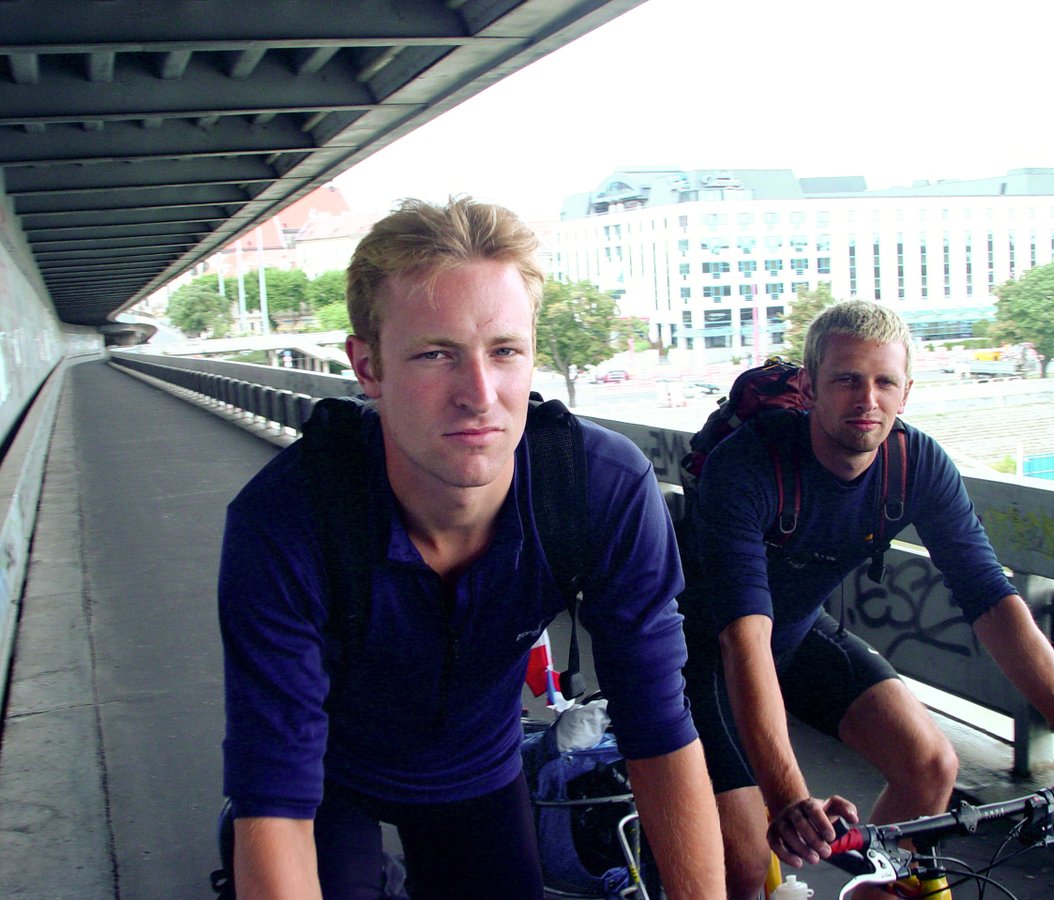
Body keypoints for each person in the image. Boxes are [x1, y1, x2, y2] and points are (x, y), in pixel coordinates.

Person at [219, 196, 724, 899]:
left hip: (476, 767)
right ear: (368, 368)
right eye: (435, 355)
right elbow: (274, 792)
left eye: (505, 352)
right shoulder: (287, 522)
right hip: (325, 774)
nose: (480, 394)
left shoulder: (595, 488)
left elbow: (658, 729)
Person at [679, 299, 1054, 900]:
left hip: (798, 634)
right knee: (746, 868)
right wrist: (789, 799)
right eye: (846, 380)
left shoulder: (916, 464)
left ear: (906, 393)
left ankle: (869, 889)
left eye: (885, 382)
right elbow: (742, 638)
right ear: (808, 387)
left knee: (930, 765)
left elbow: (995, 603)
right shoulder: (749, 465)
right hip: (698, 660)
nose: (867, 400)